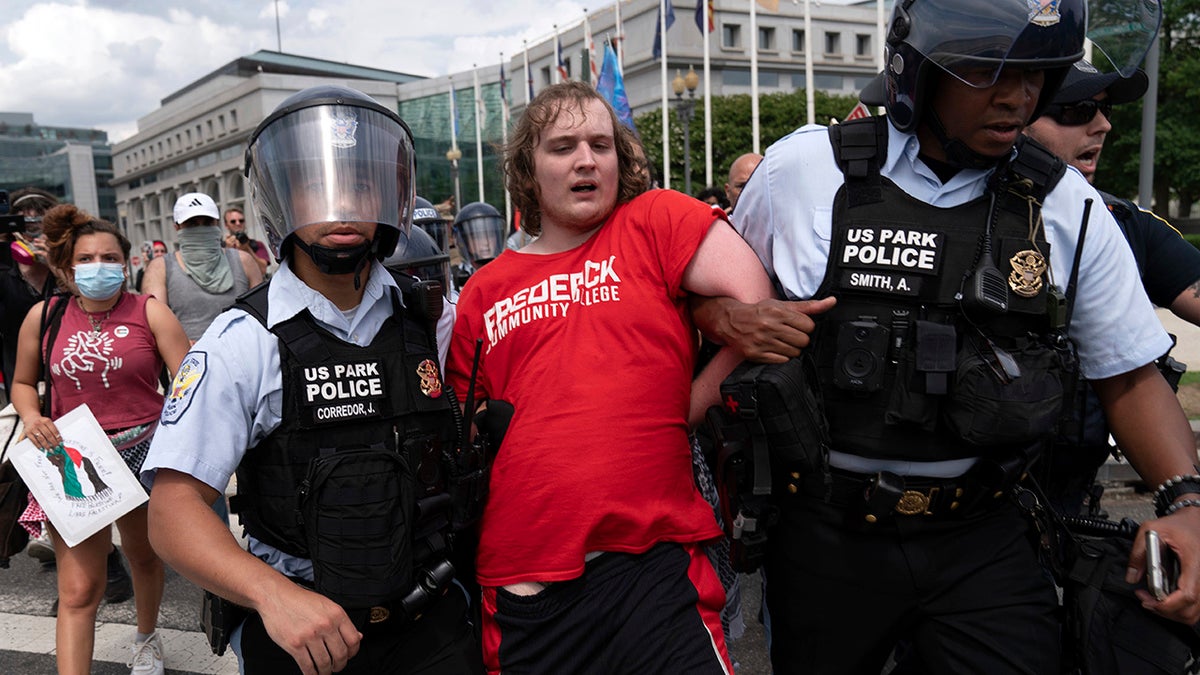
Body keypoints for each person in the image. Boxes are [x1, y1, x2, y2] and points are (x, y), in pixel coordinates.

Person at [696, 0, 1200, 672]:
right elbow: (702, 283)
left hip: (985, 538)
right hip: (825, 537)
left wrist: (1186, 501)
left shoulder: (1065, 204)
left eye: (1036, 75)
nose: (1019, 96)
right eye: (992, 70)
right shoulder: (804, 172)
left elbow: (1129, 371)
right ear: (921, 70)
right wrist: (720, 316)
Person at [446, 80, 822, 674]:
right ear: (528, 167)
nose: (586, 160)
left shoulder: (654, 220)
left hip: (655, 568)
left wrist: (690, 404)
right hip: (526, 585)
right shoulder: (484, 290)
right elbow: (467, 431)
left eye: (601, 144)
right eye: (562, 146)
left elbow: (754, 300)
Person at [142, 84, 482, 675]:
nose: (341, 203)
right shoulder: (239, 341)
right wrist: (275, 597)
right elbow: (173, 514)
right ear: (284, 197)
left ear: (388, 195)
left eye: (360, 183)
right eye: (317, 185)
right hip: (302, 635)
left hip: (431, 621)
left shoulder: (430, 317)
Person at [10, 203, 190, 675]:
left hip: (144, 451)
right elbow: (23, 382)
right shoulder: (44, 316)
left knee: (145, 557)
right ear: (68, 268)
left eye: (110, 258)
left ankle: (146, 639)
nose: (99, 267)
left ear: (126, 263)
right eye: (86, 259)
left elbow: (191, 382)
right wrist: (31, 416)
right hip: (71, 457)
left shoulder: (150, 312)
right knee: (78, 589)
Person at [1021, 60, 1200, 515]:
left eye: (1102, 110)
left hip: (1068, 511)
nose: (1103, 125)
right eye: (1078, 109)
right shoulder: (937, 212)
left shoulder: (1119, 221)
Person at [142, 193, 263, 344]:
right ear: (177, 227)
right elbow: (156, 325)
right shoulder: (160, 268)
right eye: (192, 224)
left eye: (207, 223)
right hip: (188, 362)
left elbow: (263, 316)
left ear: (217, 223)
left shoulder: (244, 261)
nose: (200, 229)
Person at [223, 206, 271, 277]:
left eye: (241, 221)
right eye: (233, 221)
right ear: (226, 225)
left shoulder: (257, 245)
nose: (238, 224)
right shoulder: (221, 247)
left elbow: (262, 270)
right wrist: (227, 250)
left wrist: (248, 249)